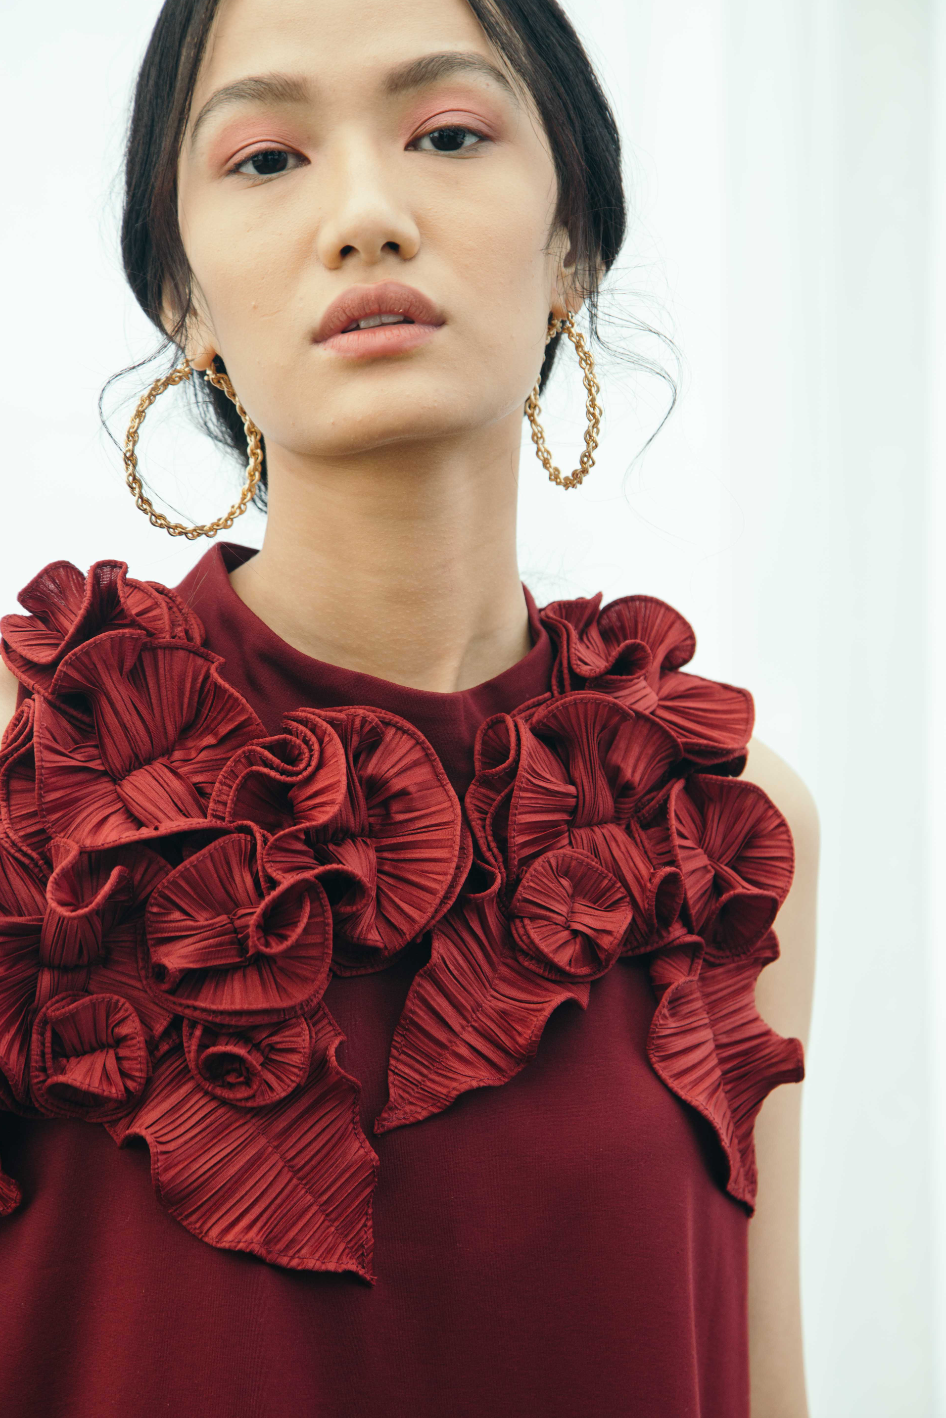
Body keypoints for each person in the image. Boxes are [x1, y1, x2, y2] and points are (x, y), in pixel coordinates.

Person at [0, 1, 818, 1414]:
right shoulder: (29, 768)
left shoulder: (722, 822)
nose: (367, 213)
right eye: (264, 159)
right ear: (178, 298)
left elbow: (755, 1378)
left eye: (447, 133)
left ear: (573, 244)